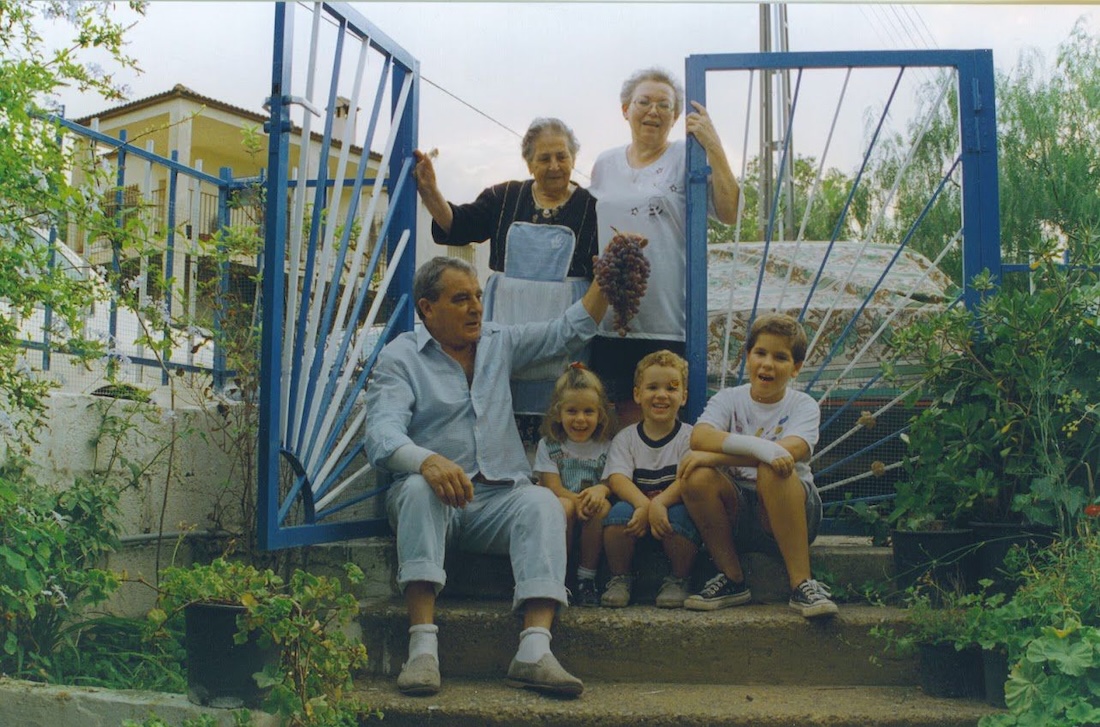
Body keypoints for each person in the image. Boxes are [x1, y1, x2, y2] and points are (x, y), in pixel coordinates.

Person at [363, 256, 609, 698]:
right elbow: (381, 435)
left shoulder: (498, 341)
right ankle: (421, 648)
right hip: (436, 503)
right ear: (427, 308)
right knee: (419, 489)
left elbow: (565, 333)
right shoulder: (400, 356)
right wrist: (426, 460)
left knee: (542, 502)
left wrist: (606, 281)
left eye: (478, 296)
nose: (476, 307)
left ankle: (534, 651)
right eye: (461, 299)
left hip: (498, 498)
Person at [412, 118, 600, 421]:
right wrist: (430, 191)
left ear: (574, 159)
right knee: (501, 416)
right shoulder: (503, 199)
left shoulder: (593, 208)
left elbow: (602, 279)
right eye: (544, 158)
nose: (554, 165)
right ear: (528, 164)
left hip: (565, 338)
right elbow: (458, 225)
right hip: (506, 331)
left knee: (564, 420)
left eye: (562, 156)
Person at [589, 67, 741, 424]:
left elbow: (730, 212)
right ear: (626, 109)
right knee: (613, 422)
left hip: (668, 319)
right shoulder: (604, 163)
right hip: (609, 316)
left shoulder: (685, 157)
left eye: (664, 105)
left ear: (676, 117)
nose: (653, 111)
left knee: (662, 423)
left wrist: (714, 147)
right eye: (644, 102)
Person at [678, 312, 838, 619]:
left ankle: (802, 584)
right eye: (760, 353)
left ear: (796, 368)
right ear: (747, 357)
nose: (767, 363)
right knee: (697, 474)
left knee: (773, 467)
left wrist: (718, 456)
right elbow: (700, 436)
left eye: (780, 357)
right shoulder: (729, 398)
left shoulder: (802, 404)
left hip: (792, 508)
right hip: (740, 513)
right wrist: (757, 447)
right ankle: (732, 578)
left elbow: (790, 452)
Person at [599, 350, 703, 609]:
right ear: (637, 394)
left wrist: (660, 505)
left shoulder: (689, 437)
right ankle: (620, 577)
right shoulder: (626, 438)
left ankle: (679, 578)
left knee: (681, 517)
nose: (661, 395)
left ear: (684, 397)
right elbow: (618, 479)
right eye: (652, 387)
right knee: (616, 516)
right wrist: (644, 506)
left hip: (671, 511)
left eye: (671, 388)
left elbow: (688, 479)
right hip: (637, 512)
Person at [533, 363, 615, 607]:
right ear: (558, 413)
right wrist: (577, 500)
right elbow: (553, 487)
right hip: (565, 503)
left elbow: (609, 480)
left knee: (601, 508)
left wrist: (599, 493)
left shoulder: (607, 446)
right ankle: (561, 576)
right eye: (572, 411)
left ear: (600, 415)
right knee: (562, 506)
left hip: (591, 507)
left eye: (588, 411)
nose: (580, 419)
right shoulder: (549, 445)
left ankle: (585, 578)